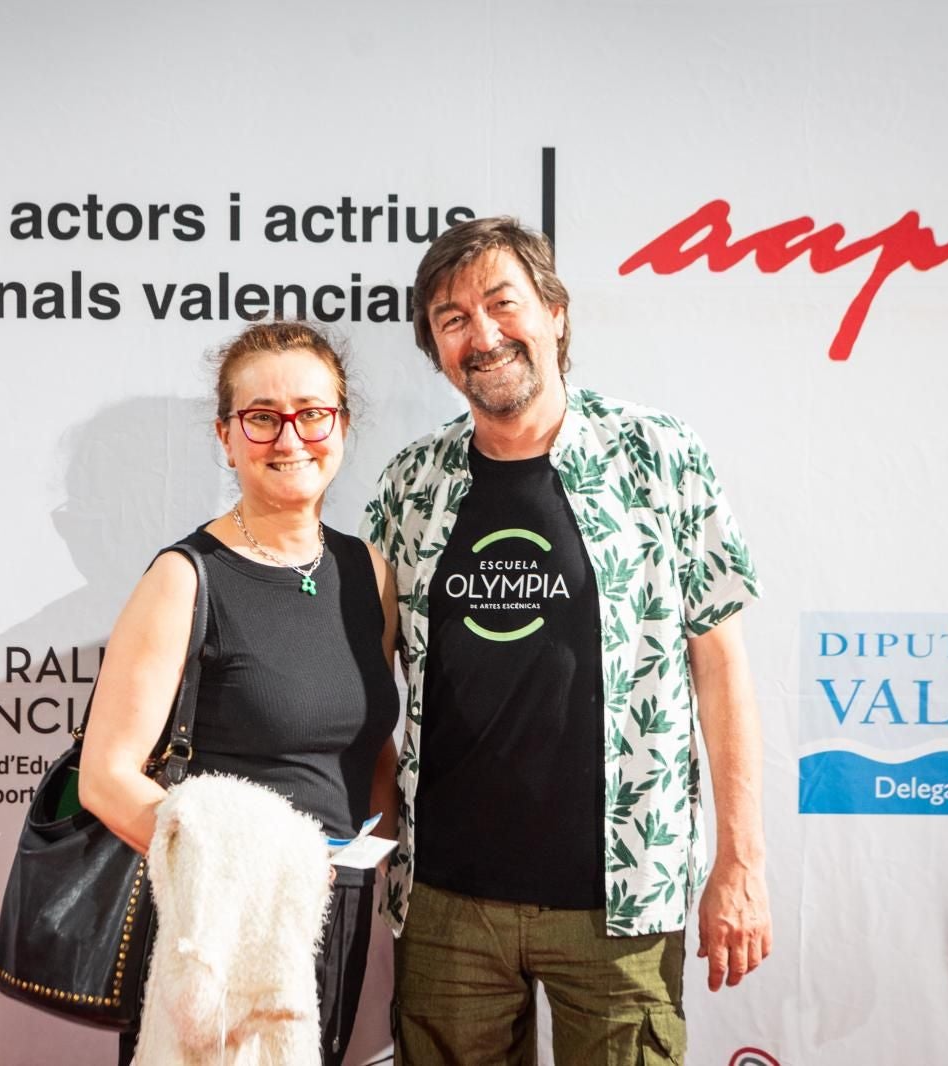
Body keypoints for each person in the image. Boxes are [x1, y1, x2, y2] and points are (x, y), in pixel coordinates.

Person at [363, 217, 771, 1065]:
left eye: (501, 304)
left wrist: (741, 863)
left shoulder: (658, 457)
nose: (483, 336)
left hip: (621, 904)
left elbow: (721, 668)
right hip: (446, 908)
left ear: (555, 312)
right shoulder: (410, 485)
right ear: (436, 349)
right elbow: (362, 684)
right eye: (451, 320)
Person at [78, 320, 400, 1066]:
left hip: (334, 917)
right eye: (262, 417)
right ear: (226, 437)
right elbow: (105, 779)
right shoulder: (185, 578)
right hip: (220, 929)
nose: (291, 437)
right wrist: (245, 868)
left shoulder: (369, 574)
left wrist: (370, 856)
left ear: (342, 426)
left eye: (312, 413)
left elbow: (368, 743)